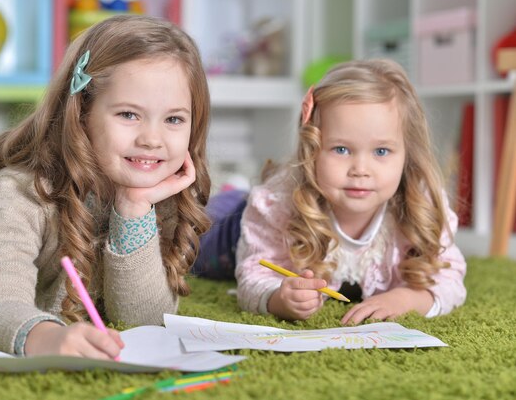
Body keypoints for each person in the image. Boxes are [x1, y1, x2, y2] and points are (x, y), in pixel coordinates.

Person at [0, 15, 211, 359]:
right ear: (82, 112)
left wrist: (134, 210)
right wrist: (46, 338)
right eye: (129, 115)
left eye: (174, 119)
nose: (151, 139)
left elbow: (143, 321)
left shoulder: (157, 193)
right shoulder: (19, 191)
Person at [193, 59, 466, 324]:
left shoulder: (421, 204)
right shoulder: (277, 204)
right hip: (232, 231)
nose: (361, 169)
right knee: (192, 247)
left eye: (381, 151)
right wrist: (278, 298)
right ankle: (232, 192)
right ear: (312, 150)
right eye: (342, 149)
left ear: (407, 154)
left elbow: (449, 278)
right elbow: (254, 274)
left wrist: (407, 299)